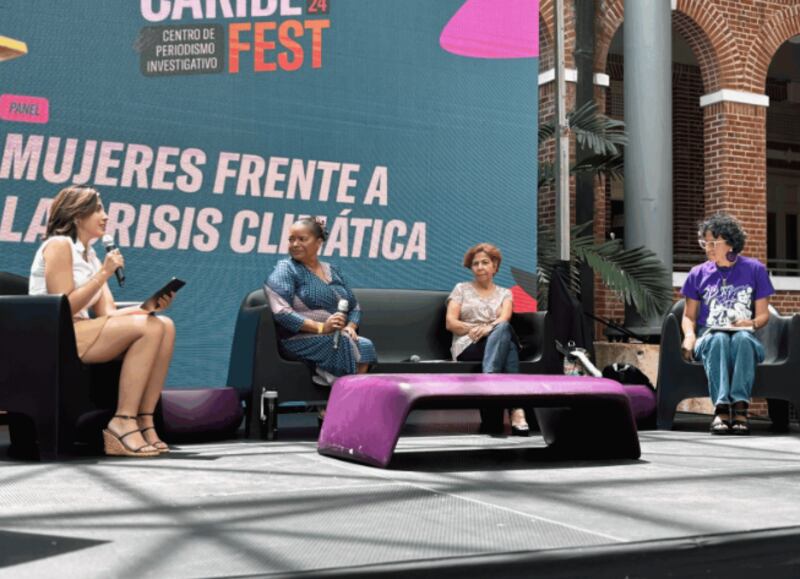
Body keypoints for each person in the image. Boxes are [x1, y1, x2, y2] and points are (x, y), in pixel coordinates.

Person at [29, 185, 176, 456]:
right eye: (98, 209)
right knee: (150, 329)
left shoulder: (92, 255)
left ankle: (144, 419)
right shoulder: (59, 246)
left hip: (83, 329)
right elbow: (63, 307)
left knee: (163, 325)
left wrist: (147, 308)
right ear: (76, 216)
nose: (105, 215)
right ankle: (122, 421)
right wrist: (104, 274)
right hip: (57, 333)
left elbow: (107, 314)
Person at [680, 213, 774, 435]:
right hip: (709, 336)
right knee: (719, 339)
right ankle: (721, 409)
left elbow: (763, 316)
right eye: (705, 242)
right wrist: (690, 337)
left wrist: (748, 322)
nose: (708, 247)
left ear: (730, 243)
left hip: (746, 336)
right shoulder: (697, 273)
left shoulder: (755, 269)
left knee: (741, 339)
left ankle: (740, 407)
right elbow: (688, 316)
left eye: (713, 242)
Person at [265, 217, 377, 399]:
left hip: (336, 336)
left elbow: (354, 306)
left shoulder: (333, 270)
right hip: (297, 338)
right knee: (343, 344)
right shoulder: (286, 269)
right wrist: (321, 327)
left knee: (365, 345)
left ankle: (340, 402)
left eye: (302, 239)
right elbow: (281, 312)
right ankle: (344, 403)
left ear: (318, 242)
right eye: (291, 239)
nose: (294, 244)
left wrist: (350, 327)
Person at [445, 243, 530, 436]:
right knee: (507, 344)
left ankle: (490, 380)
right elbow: (450, 323)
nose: (480, 267)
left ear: (495, 266)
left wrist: (487, 330)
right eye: (475, 264)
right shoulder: (461, 289)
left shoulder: (504, 293)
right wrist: (477, 329)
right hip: (467, 345)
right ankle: (517, 409)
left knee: (503, 331)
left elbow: (504, 319)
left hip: (494, 340)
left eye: (485, 262)